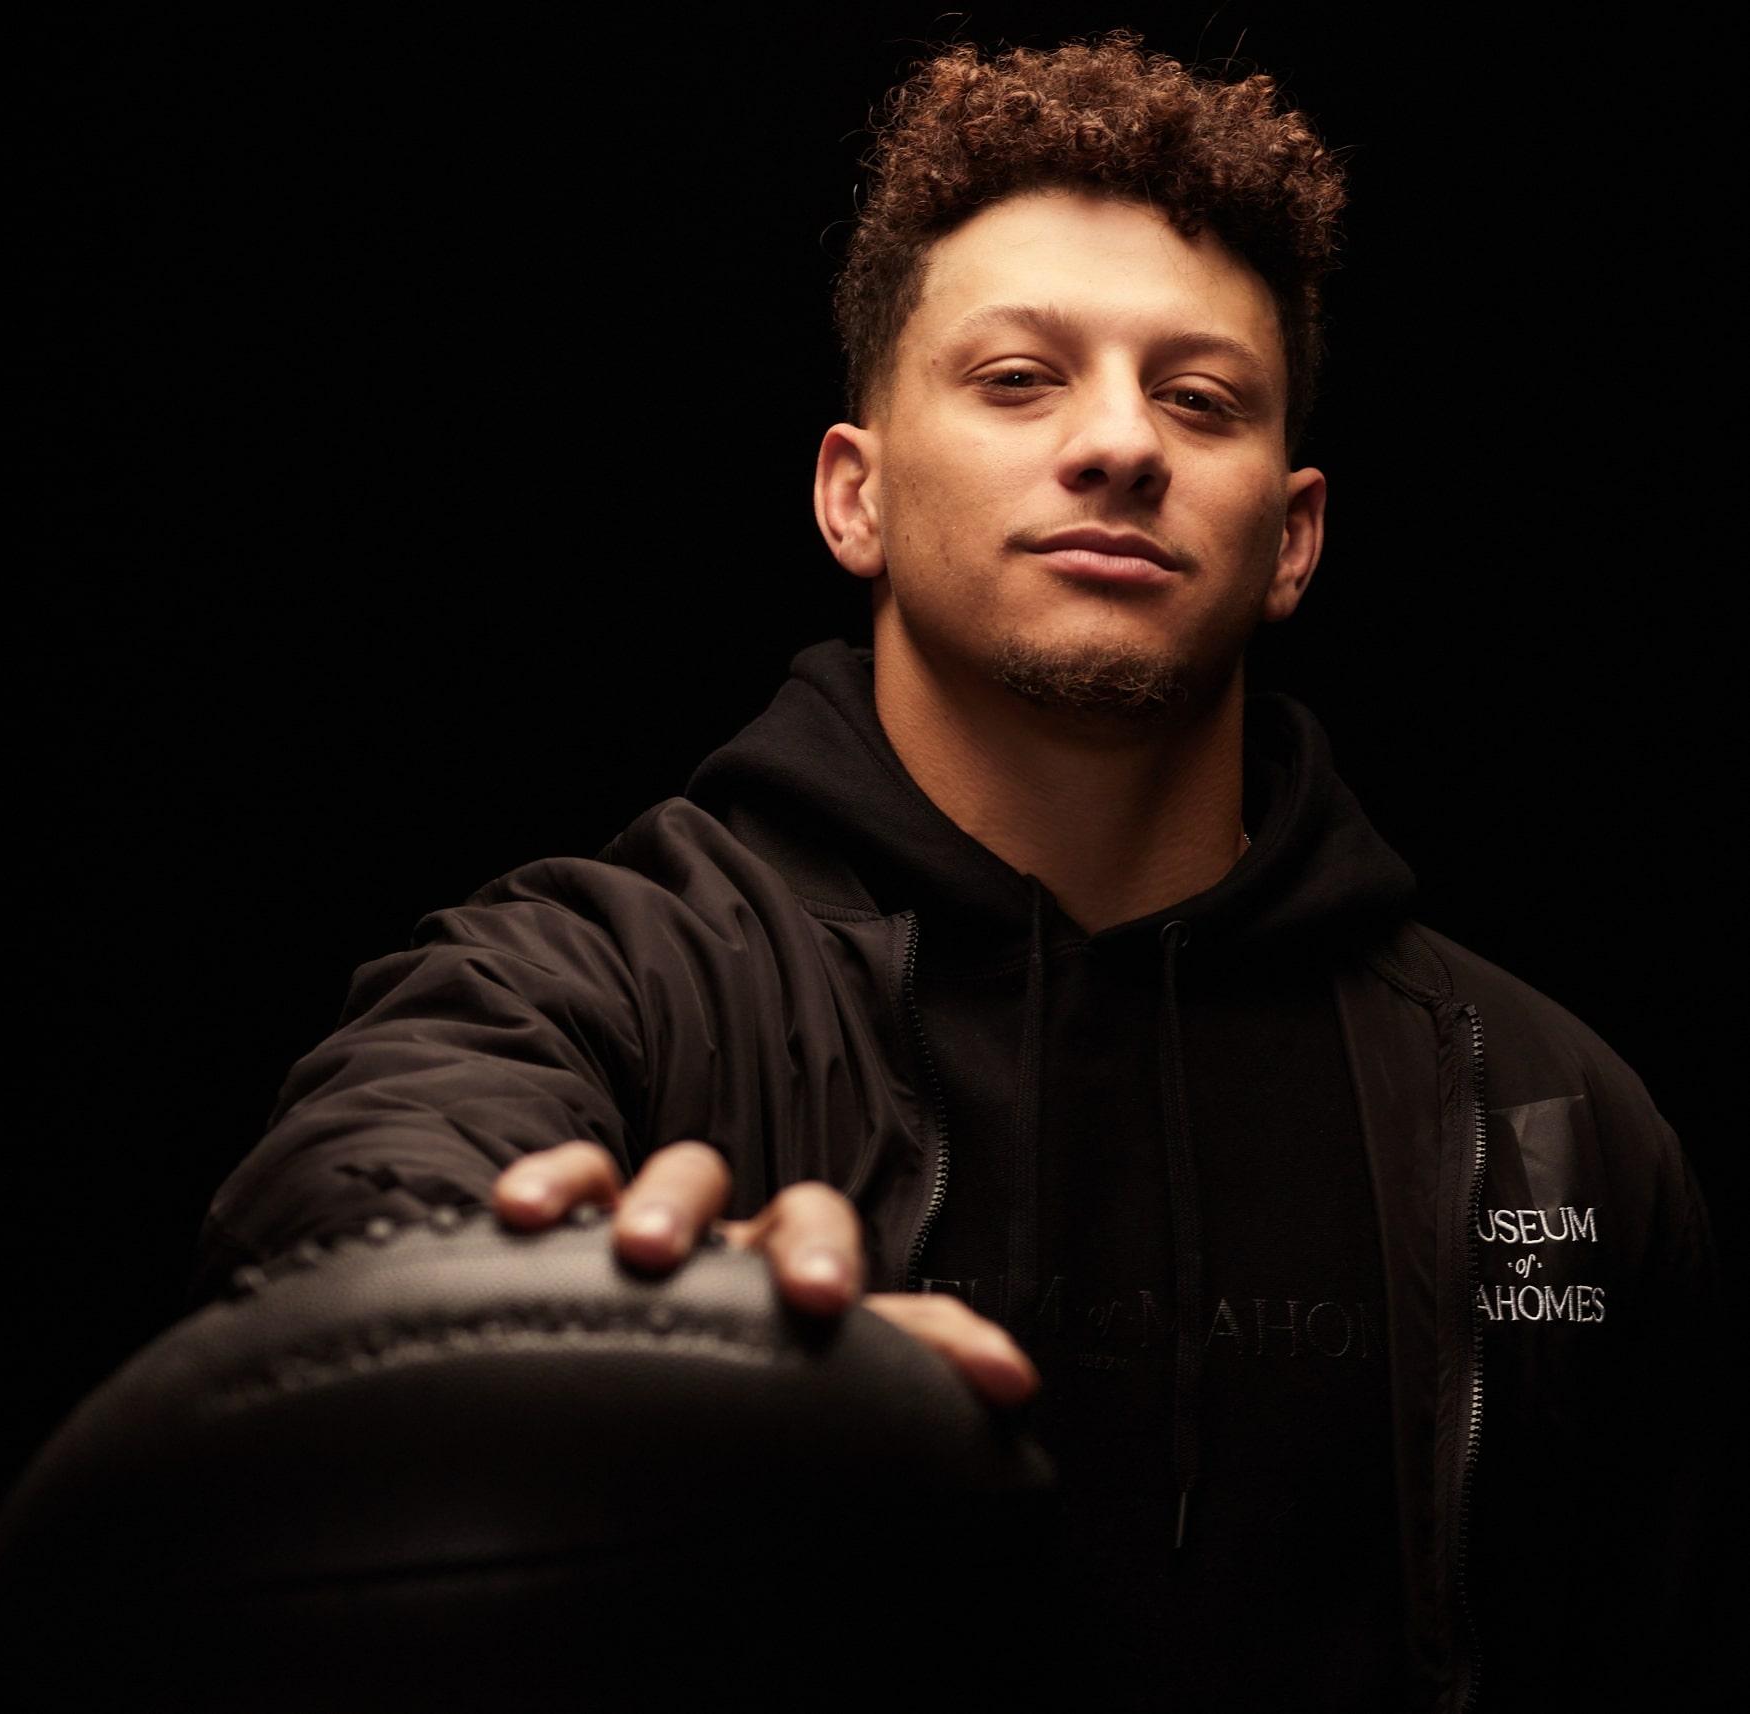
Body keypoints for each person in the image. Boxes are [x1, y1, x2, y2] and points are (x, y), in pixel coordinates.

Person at [189, 31, 1719, 1711]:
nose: (1119, 444)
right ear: (853, 492)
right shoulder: (613, 975)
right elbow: (357, 1200)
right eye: (1017, 378)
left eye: (1197, 398)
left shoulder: (1548, 1110)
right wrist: (638, 1338)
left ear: (1291, 538)